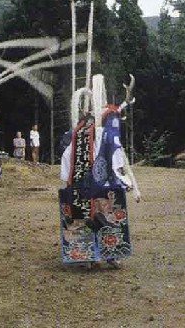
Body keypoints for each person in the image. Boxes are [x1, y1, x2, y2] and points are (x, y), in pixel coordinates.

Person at [59, 75, 140, 267]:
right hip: (88, 187)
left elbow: (114, 157)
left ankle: (108, 254)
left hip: (97, 187)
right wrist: (125, 181)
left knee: (102, 217)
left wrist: (124, 180)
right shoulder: (84, 139)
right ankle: (90, 255)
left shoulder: (99, 138)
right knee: (88, 217)